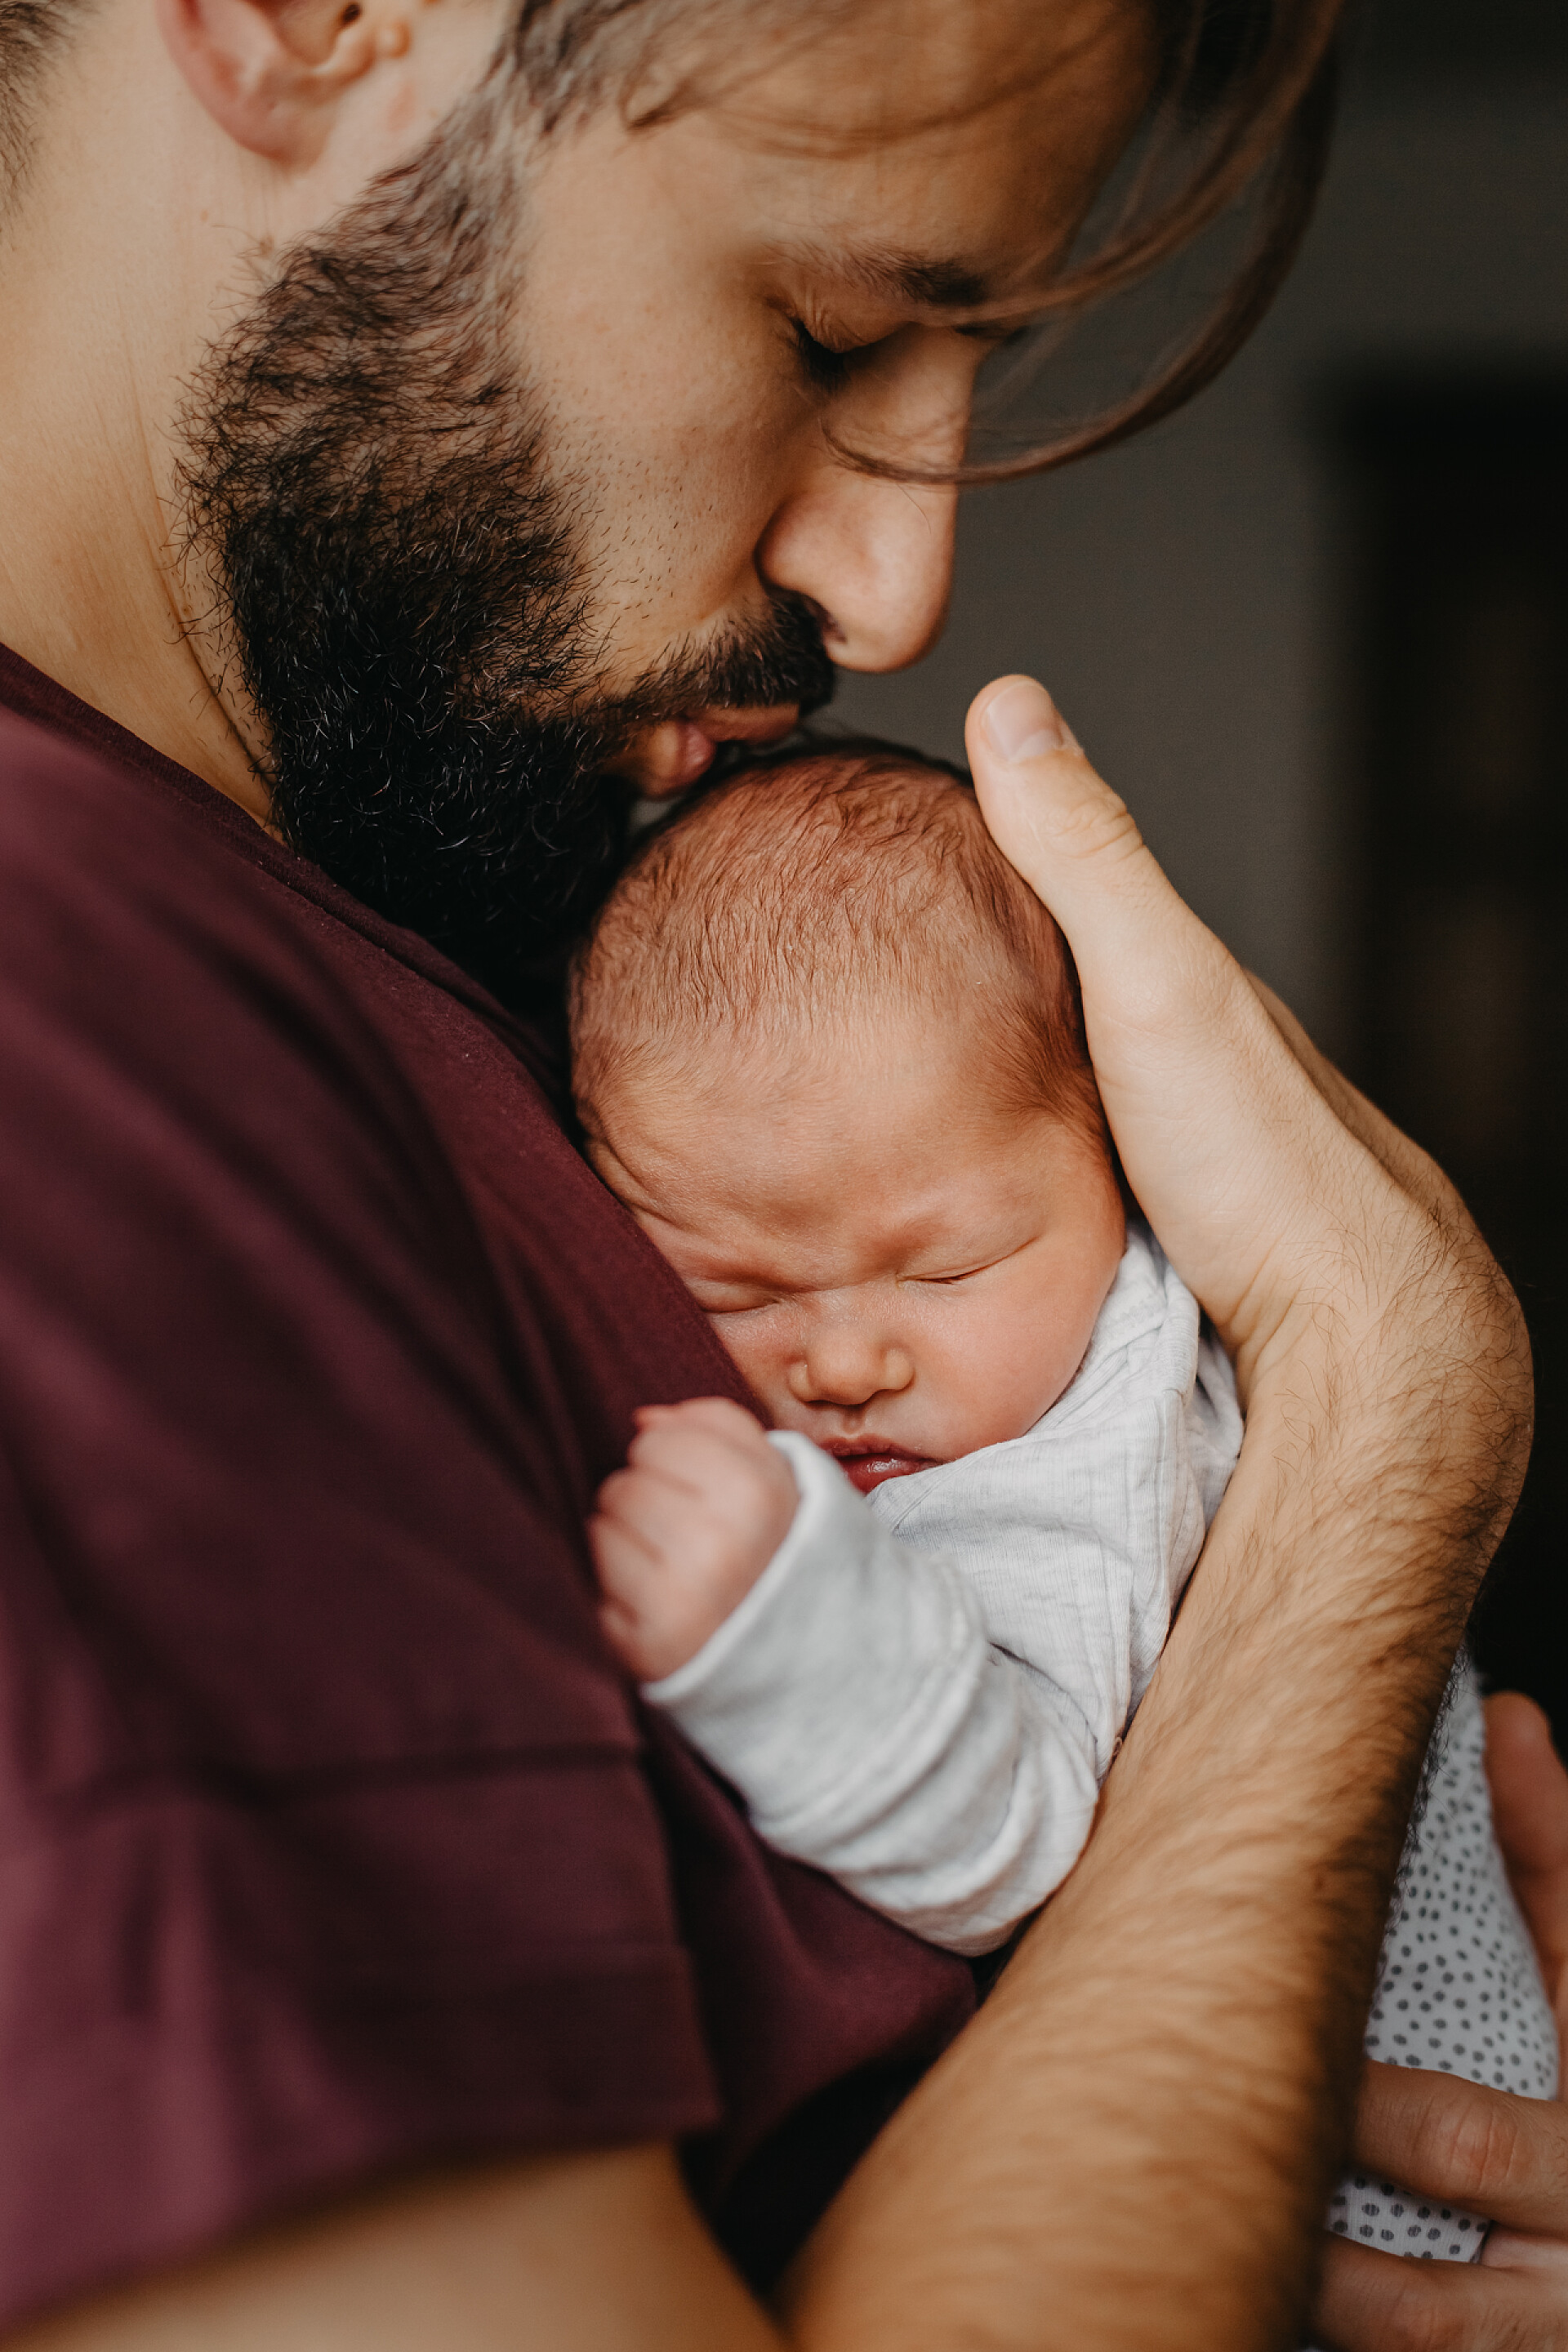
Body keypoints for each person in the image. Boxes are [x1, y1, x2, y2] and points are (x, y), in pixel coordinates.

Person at [1, 0, 1567, 2339]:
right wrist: (1375, 1425)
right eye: (829, 329)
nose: (897, 592)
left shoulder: (463, 929)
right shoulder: (67, 1018)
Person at [572, 742, 1557, 2274]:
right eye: (737, 1293)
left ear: (1122, 1164)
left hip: (1373, 2199)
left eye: (947, 1268)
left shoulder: (1094, 1444)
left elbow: (1022, 1838)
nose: (845, 1360)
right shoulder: (996, 1341)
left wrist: (787, 1633)